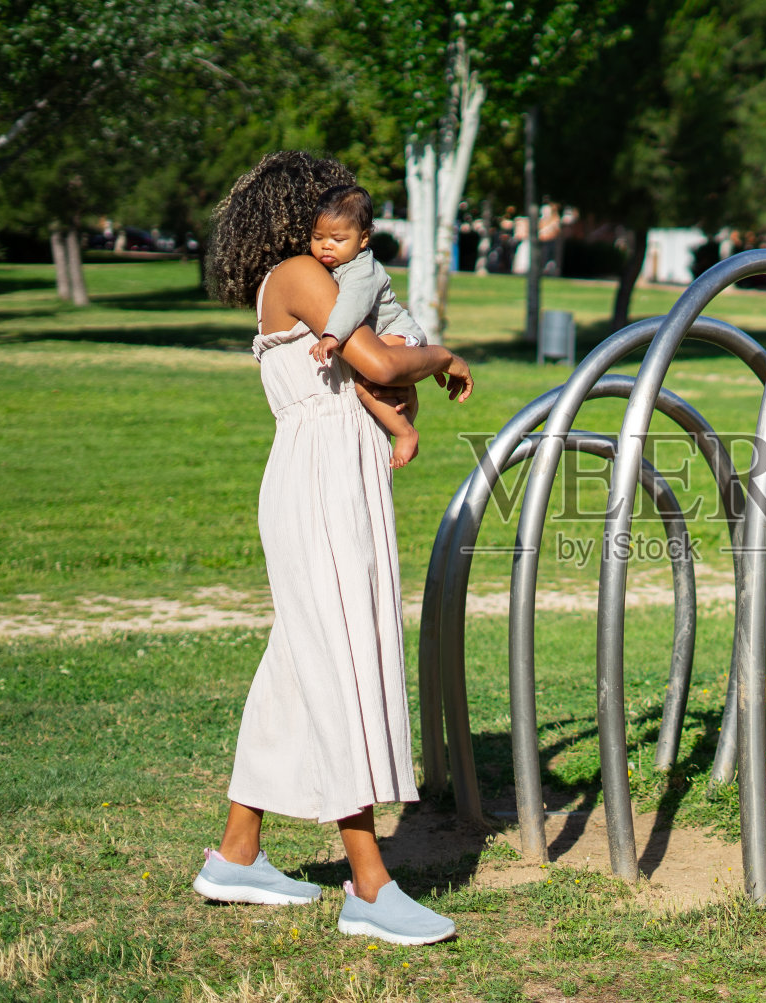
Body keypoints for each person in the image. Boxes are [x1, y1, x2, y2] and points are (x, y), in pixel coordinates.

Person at [192, 151, 473, 946]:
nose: (335, 223)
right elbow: (380, 360)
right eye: (324, 208)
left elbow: (372, 375)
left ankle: (237, 854)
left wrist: (402, 407)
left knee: (301, 660)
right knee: (339, 659)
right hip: (319, 484)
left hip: (329, 476)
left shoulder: (312, 282)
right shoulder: (302, 275)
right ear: (299, 214)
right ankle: (371, 883)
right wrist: (444, 356)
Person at [304, 184, 428, 468]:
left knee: (365, 382)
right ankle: (404, 419)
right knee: (378, 385)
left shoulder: (361, 269)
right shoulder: (337, 266)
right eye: (317, 237)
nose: (326, 245)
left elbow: (352, 304)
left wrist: (332, 335)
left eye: (337, 239)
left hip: (400, 334)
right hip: (390, 335)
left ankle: (406, 433)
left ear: (363, 239)